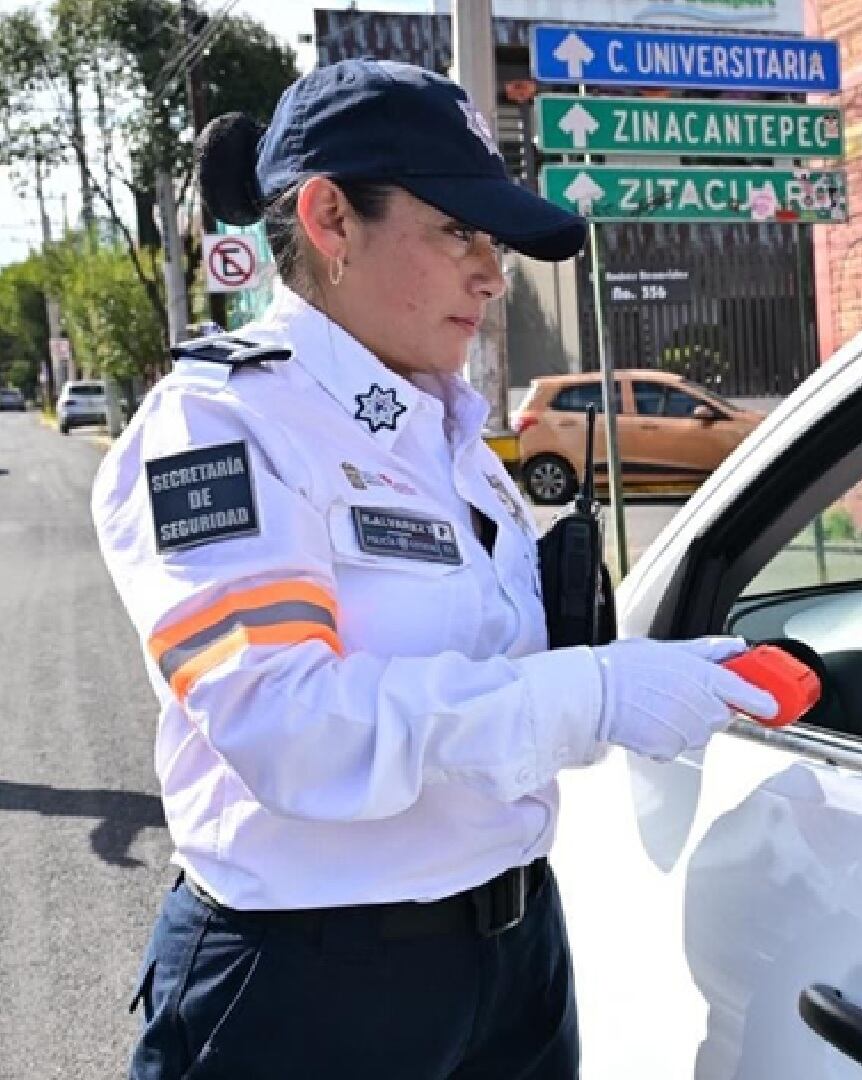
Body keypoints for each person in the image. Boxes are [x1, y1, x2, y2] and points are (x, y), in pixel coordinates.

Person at [92, 59, 776, 1080]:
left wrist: (649, 677)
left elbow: (496, 663)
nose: (492, 274)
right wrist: (590, 694)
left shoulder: (448, 433)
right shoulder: (219, 428)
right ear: (328, 220)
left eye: (491, 238)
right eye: (456, 229)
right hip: (312, 987)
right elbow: (287, 722)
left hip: (513, 954)